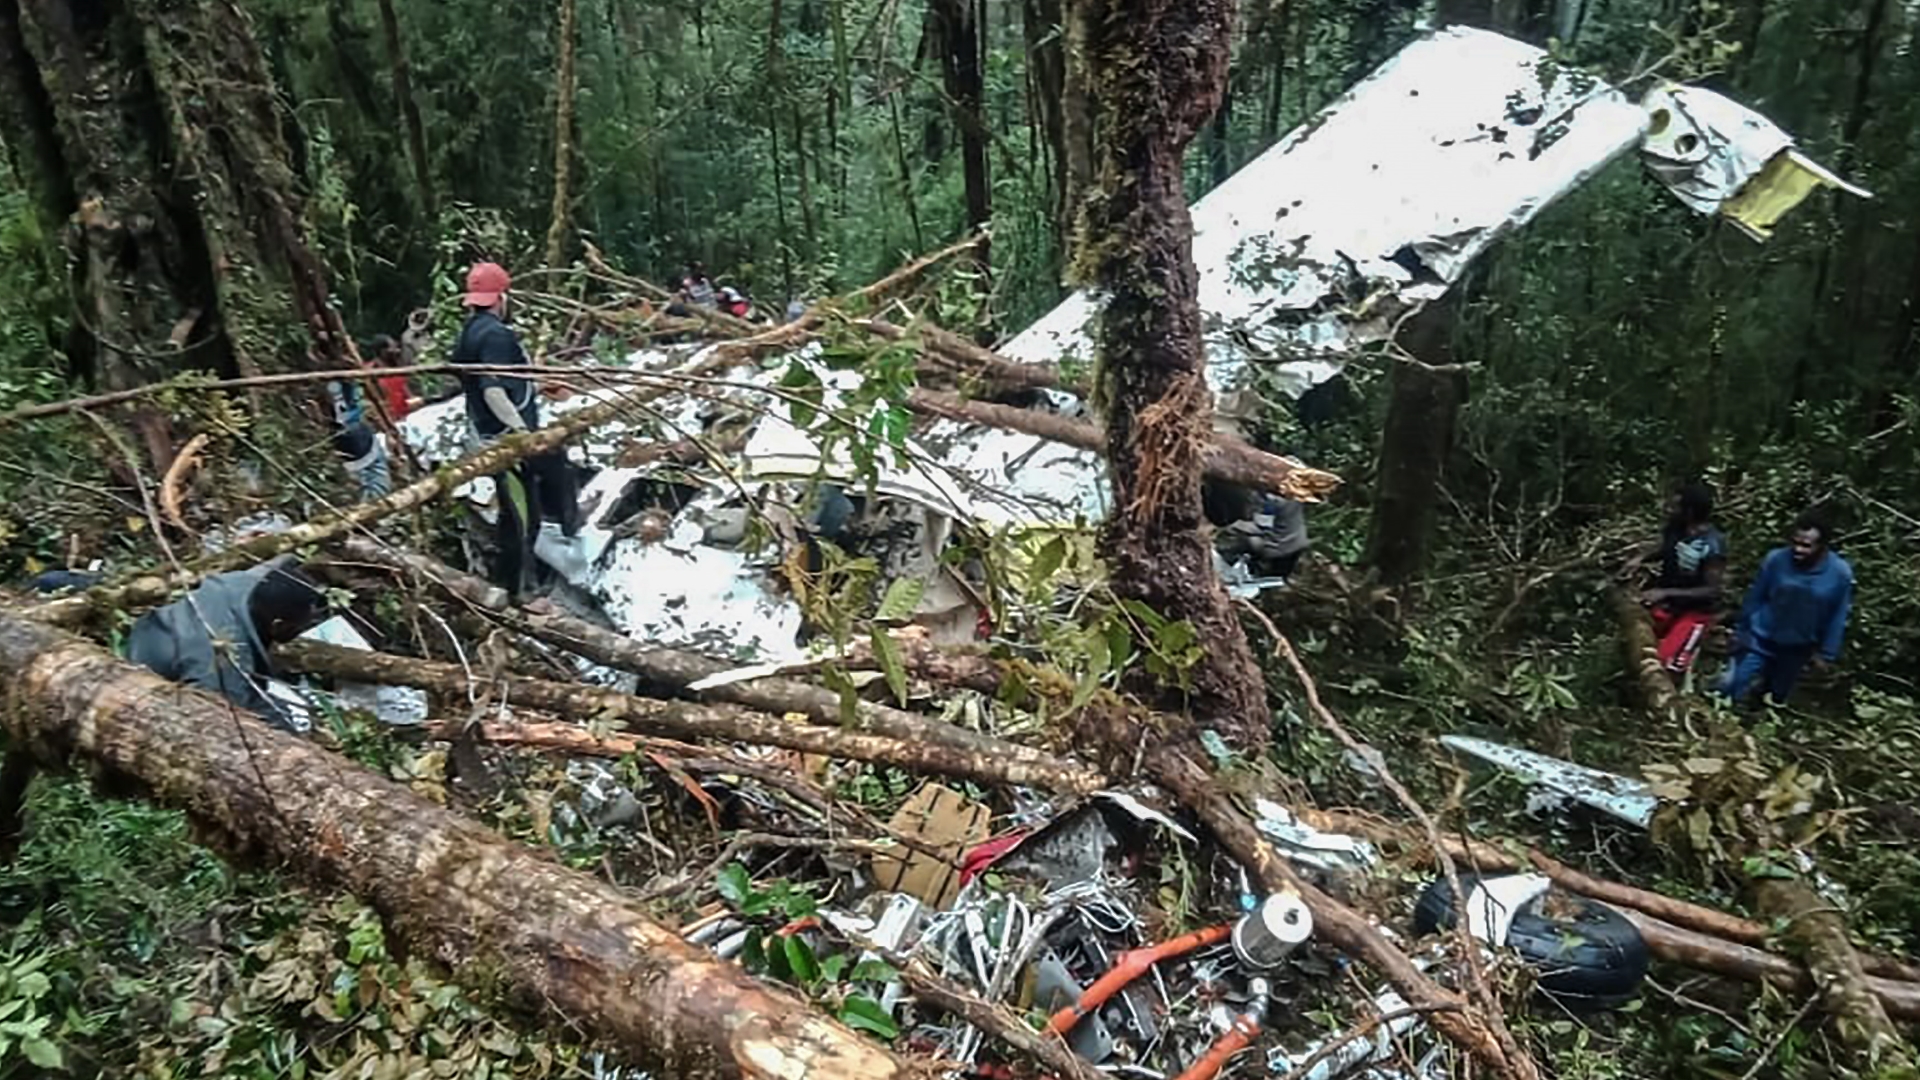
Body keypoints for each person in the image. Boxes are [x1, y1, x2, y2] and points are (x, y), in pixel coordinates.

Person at [451, 261, 584, 597]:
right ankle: (520, 592)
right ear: (500, 298)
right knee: (523, 518)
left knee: (535, 493)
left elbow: (495, 385)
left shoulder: (468, 332)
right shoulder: (497, 335)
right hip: (507, 440)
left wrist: (537, 388)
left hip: (488, 432)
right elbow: (492, 390)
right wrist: (522, 433)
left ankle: (533, 568)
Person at [125, 558, 330, 729]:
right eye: (301, 625)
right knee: (280, 720)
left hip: (157, 630)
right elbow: (220, 720)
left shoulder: (240, 584)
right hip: (146, 680)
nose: (303, 630)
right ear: (277, 625)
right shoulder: (225, 663)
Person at [1719, 514, 1854, 706]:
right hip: (1761, 637)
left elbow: (1837, 616)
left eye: (1806, 546)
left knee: (1775, 697)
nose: (1798, 550)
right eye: (1795, 543)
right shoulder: (1776, 560)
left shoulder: (1839, 573)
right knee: (1732, 684)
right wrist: (1741, 630)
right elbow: (1756, 596)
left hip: (1797, 647)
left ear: (1822, 546)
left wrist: (1826, 654)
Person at [1640, 481, 1727, 677]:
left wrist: (1664, 592)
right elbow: (1667, 548)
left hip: (1696, 612)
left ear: (1690, 512)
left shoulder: (1712, 544)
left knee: (1665, 665)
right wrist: (1639, 558)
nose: (1669, 509)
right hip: (1670, 605)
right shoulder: (1675, 528)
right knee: (1641, 643)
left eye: (1675, 506)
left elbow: (1712, 590)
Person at [1205, 479, 1310, 580]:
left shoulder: (1270, 500)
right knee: (1277, 576)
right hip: (1297, 542)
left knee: (1241, 543)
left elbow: (1260, 528)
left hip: (1276, 545)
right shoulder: (1294, 492)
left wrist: (1229, 527)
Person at [326, 373, 392, 500]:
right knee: (376, 478)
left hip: (341, 434)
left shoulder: (329, 385)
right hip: (357, 433)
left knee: (363, 478)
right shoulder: (346, 383)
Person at [367, 334, 417, 421]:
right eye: (392, 347)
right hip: (387, 420)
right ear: (383, 351)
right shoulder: (370, 371)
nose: (396, 351)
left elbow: (407, 393)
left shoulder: (397, 368)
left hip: (406, 417)